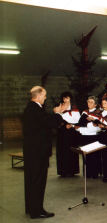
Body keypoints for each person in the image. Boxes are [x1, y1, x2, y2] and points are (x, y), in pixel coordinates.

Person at [23, 86, 66, 219]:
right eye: (45, 95)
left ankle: (31, 208)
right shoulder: (37, 109)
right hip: (38, 152)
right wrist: (58, 113)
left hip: (31, 151)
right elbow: (52, 123)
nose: (46, 97)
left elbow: (45, 122)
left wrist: (56, 114)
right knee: (38, 181)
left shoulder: (30, 108)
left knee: (31, 180)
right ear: (39, 96)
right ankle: (37, 211)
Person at [75, 96, 102, 179]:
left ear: (96, 104)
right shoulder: (84, 112)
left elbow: (96, 127)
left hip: (93, 136)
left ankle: (94, 174)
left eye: (91, 102)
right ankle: (87, 173)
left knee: (94, 156)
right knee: (85, 155)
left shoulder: (98, 113)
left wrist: (85, 125)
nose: (89, 104)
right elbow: (79, 124)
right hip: (84, 136)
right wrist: (84, 125)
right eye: (88, 102)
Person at [56, 91, 80, 177]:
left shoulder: (74, 107)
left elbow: (77, 119)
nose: (65, 100)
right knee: (63, 151)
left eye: (67, 98)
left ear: (70, 98)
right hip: (63, 131)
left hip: (71, 131)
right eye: (64, 98)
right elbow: (57, 117)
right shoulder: (60, 106)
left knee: (71, 150)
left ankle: (72, 170)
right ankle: (63, 171)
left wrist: (72, 125)